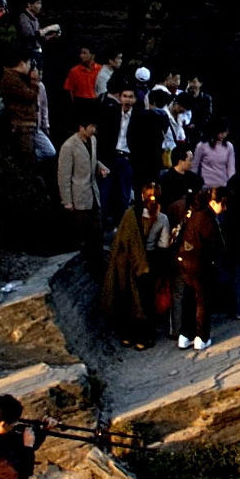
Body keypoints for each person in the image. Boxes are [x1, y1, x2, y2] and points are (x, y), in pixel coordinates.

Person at [105, 184, 160, 348]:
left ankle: (128, 336)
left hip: (126, 263)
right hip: (144, 262)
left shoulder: (130, 214)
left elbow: (120, 240)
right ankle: (144, 338)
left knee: (128, 300)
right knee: (143, 301)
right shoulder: (160, 216)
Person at [169, 191, 218, 352]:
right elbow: (214, 244)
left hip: (183, 261)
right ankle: (201, 337)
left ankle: (185, 335)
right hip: (200, 264)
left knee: (187, 298)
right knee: (202, 301)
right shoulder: (206, 218)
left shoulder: (189, 215)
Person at [59, 109, 108, 261]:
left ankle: (98, 256)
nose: (94, 130)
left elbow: (92, 159)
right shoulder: (68, 146)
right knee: (82, 231)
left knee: (97, 229)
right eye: (91, 127)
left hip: (93, 192)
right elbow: (64, 175)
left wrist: (100, 166)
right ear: (82, 127)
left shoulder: (93, 140)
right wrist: (67, 200)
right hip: (79, 195)